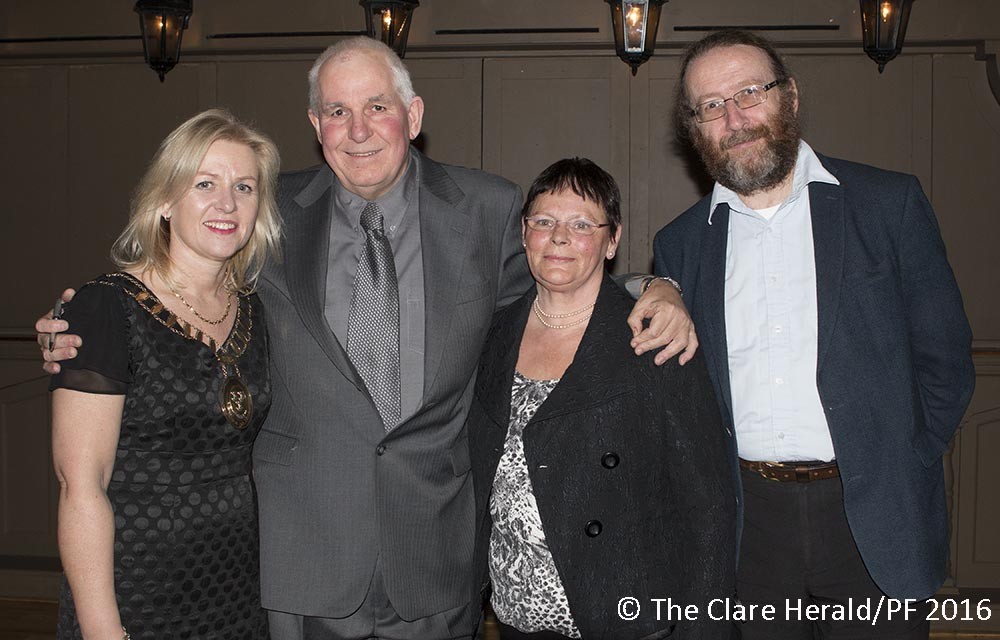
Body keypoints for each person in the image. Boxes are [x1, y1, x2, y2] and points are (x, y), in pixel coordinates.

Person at [39, 37, 695, 639]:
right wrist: (83, 325)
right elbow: (181, 284)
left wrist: (649, 287)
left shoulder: (487, 209)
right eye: (336, 111)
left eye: (376, 107)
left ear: (412, 116)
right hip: (300, 564)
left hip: (435, 560)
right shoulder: (264, 217)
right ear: (314, 125)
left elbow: (561, 279)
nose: (357, 131)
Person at [653, 30, 976, 639]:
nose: (736, 118)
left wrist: (899, 458)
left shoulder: (887, 204)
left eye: (750, 92)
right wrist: (650, 282)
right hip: (749, 524)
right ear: (694, 129)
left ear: (790, 97)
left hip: (871, 518)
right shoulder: (681, 243)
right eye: (712, 106)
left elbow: (947, 362)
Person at [467, 158, 736, 640]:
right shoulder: (494, 333)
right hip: (514, 616)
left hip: (623, 616)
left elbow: (708, 500)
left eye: (581, 224)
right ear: (524, 234)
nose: (559, 237)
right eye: (543, 222)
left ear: (612, 240)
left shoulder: (655, 337)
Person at [49, 108, 281, 639]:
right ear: (163, 201)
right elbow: (80, 487)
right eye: (205, 183)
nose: (227, 203)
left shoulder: (254, 308)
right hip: (137, 593)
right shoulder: (106, 309)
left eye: (244, 187)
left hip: (238, 593)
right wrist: (104, 631)